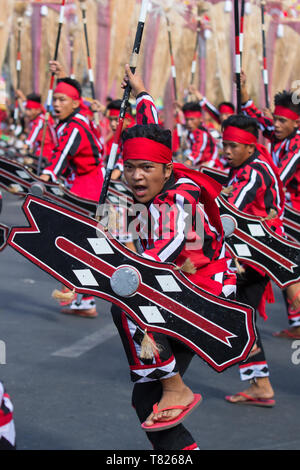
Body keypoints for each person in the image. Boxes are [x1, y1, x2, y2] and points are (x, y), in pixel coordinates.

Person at [109, 65, 237, 450]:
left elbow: (155, 258)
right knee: (143, 399)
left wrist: (110, 259)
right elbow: (150, 128)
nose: (136, 177)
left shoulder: (177, 198)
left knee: (127, 305)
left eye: (146, 168)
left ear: (167, 168)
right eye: (129, 167)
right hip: (182, 282)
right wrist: (142, 90)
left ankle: (175, 387)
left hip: (205, 290)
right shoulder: (163, 173)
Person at [220, 114, 286, 406]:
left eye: (233, 146)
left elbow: (230, 209)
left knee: (240, 317)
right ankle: (260, 384)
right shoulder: (246, 164)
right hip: (250, 252)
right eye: (225, 145)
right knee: (240, 316)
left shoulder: (254, 172)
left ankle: (261, 384)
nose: (227, 151)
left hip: (254, 255)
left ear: (249, 146)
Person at [240, 71, 300, 339]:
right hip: (283, 210)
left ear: (296, 123)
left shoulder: (297, 145)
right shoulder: (279, 135)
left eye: (282, 121)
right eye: (275, 118)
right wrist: (241, 87)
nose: (275, 124)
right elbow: (251, 113)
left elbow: (277, 178)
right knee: (286, 264)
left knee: (284, 262)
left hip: (294, 215)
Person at [40, 77, 104, 318]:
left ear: (75, 104)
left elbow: (62, 154)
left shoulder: (75, 126)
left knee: (75, 243)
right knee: (80, 244)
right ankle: (84, 298)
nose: (56, 104)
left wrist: (46, 176)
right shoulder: (73, 120)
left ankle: (82, 295)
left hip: (87, 189)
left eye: (61, 100)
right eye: (54, 99)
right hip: (82, 185)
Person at [17, 91, 57, 164]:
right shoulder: (36, 117)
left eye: (29, 110)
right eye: (27, 109)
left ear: (37, 110)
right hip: (38, 149)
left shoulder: (41, 120)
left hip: (46, 152)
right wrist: (22, 97)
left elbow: (34, 133)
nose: (27, 112)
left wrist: (27, 144)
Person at [181, 101, 222, 169]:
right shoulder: (192, 132)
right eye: (187, 120)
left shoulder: (201, 133)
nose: (189, 123)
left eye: (192, 119)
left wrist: (189, 161)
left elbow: (198, 149)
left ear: (200, 119)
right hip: (200, 164)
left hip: (211, 166)